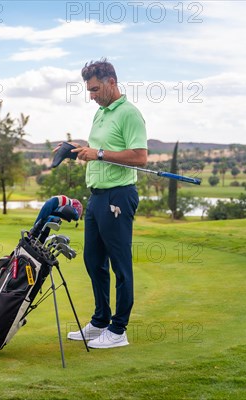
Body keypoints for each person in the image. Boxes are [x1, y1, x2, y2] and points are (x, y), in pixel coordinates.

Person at [65, 58, 148, 349]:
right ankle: (100, 320)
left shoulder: (129, 114)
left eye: (95, 89)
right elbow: (100, 149)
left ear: (112, 82)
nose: (92, 96)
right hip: (97, 196)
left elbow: (139, 156)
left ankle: (118, 330)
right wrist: (77, 149)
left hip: (118, 196)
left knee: (119, 265)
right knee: (93, 261)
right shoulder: (100, 113)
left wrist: (98, 154)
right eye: (89, 90)